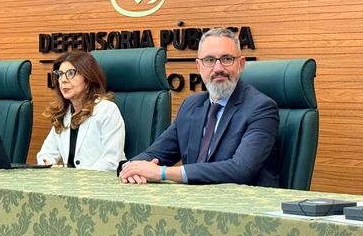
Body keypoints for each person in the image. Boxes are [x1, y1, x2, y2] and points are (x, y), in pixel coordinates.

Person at [119, 27, 280, 186]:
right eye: (209, 60)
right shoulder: (191, 105)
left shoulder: (261, 108)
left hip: (241, 200)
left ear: (241, 64)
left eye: (226, 59)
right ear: (199, 66)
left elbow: (240, 169)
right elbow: (156, 153)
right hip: (193, 199)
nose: (218, 68)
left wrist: (162, 172)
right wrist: (132, 168)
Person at [37, 50, 126, 171]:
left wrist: (80, 179)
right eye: (60, 74)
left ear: (88, 79)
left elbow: (111, 161)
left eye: (70, 73)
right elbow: (45, 154)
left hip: (100, 180)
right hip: (68, 181)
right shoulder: (64, 113)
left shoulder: (107, 110)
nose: (63, 80)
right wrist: (49, 167)